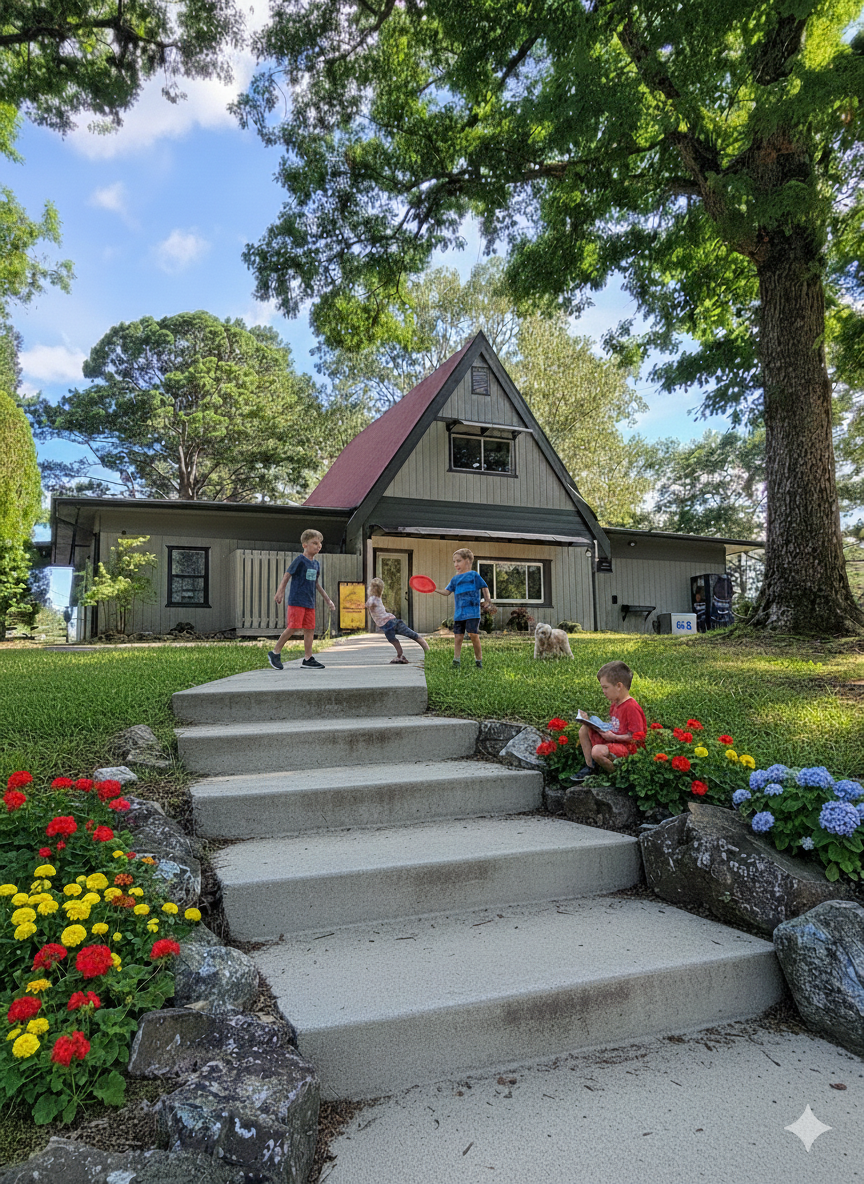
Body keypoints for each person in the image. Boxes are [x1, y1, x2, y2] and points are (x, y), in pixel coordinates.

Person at [267, 529, 335, 670]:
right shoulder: (300, 560)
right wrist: (280, 591)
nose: (318, 546)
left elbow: (316, 583)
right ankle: (275, 652)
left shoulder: (316, 564)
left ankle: (308, 658)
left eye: (320, 543)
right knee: (293, 627)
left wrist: (328, 600)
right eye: (314, 543)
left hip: (310, 602)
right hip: (297, 601)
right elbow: (287, 575)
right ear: (304, 545)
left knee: (309, 629)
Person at [571, 659, 647, 781]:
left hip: (628, 748)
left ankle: (619, 776)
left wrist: (614, 737)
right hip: (615, 741)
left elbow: (637, 737)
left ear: (619, 686)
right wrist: (592, 723)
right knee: (584, 730)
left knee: (597, 751)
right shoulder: (615, 704)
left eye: (606, 687)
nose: (603, 691)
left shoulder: (631, 707)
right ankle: (591, 767)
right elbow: (615, 726)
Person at [435, 548, 496, 668]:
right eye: (454, 562)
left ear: (467, 561)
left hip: (472, 613)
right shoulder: (455, 579)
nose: (456, 564)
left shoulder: (474, 575)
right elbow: (447, 592)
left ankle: (479, 661)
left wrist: (488, 601)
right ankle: (456, 661)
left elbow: (484, 587)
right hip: (459, 614)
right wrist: (434, 589)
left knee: (473, 635)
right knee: (458, 637)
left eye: (458, 561)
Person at [365, 577, 430, 663]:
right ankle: (427, 652)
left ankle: (400, 655)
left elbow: (366, 606)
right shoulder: (378, 598)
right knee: (413, 636)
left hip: (388, 624)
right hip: (394, 621)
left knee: (393, 640)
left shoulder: (372, 598)